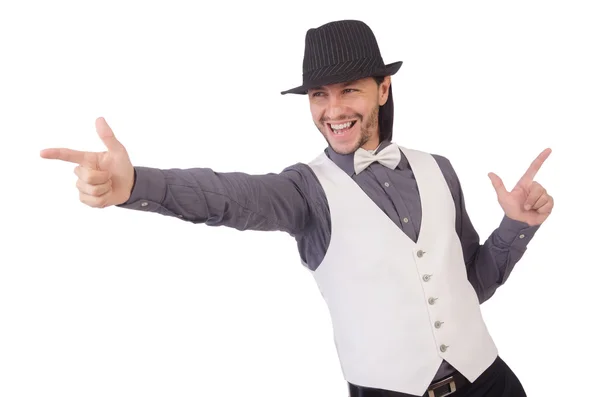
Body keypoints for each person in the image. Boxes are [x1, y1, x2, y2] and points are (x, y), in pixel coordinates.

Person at [40, 19, 553, 397]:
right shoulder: (305, 190)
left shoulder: (438, 168)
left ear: (384, 88)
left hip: (492, 382)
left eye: (350, 89)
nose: (333, 110)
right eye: (318, 95)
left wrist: (517, 226)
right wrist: (136, 184)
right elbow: (230, 196)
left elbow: (469, 286)